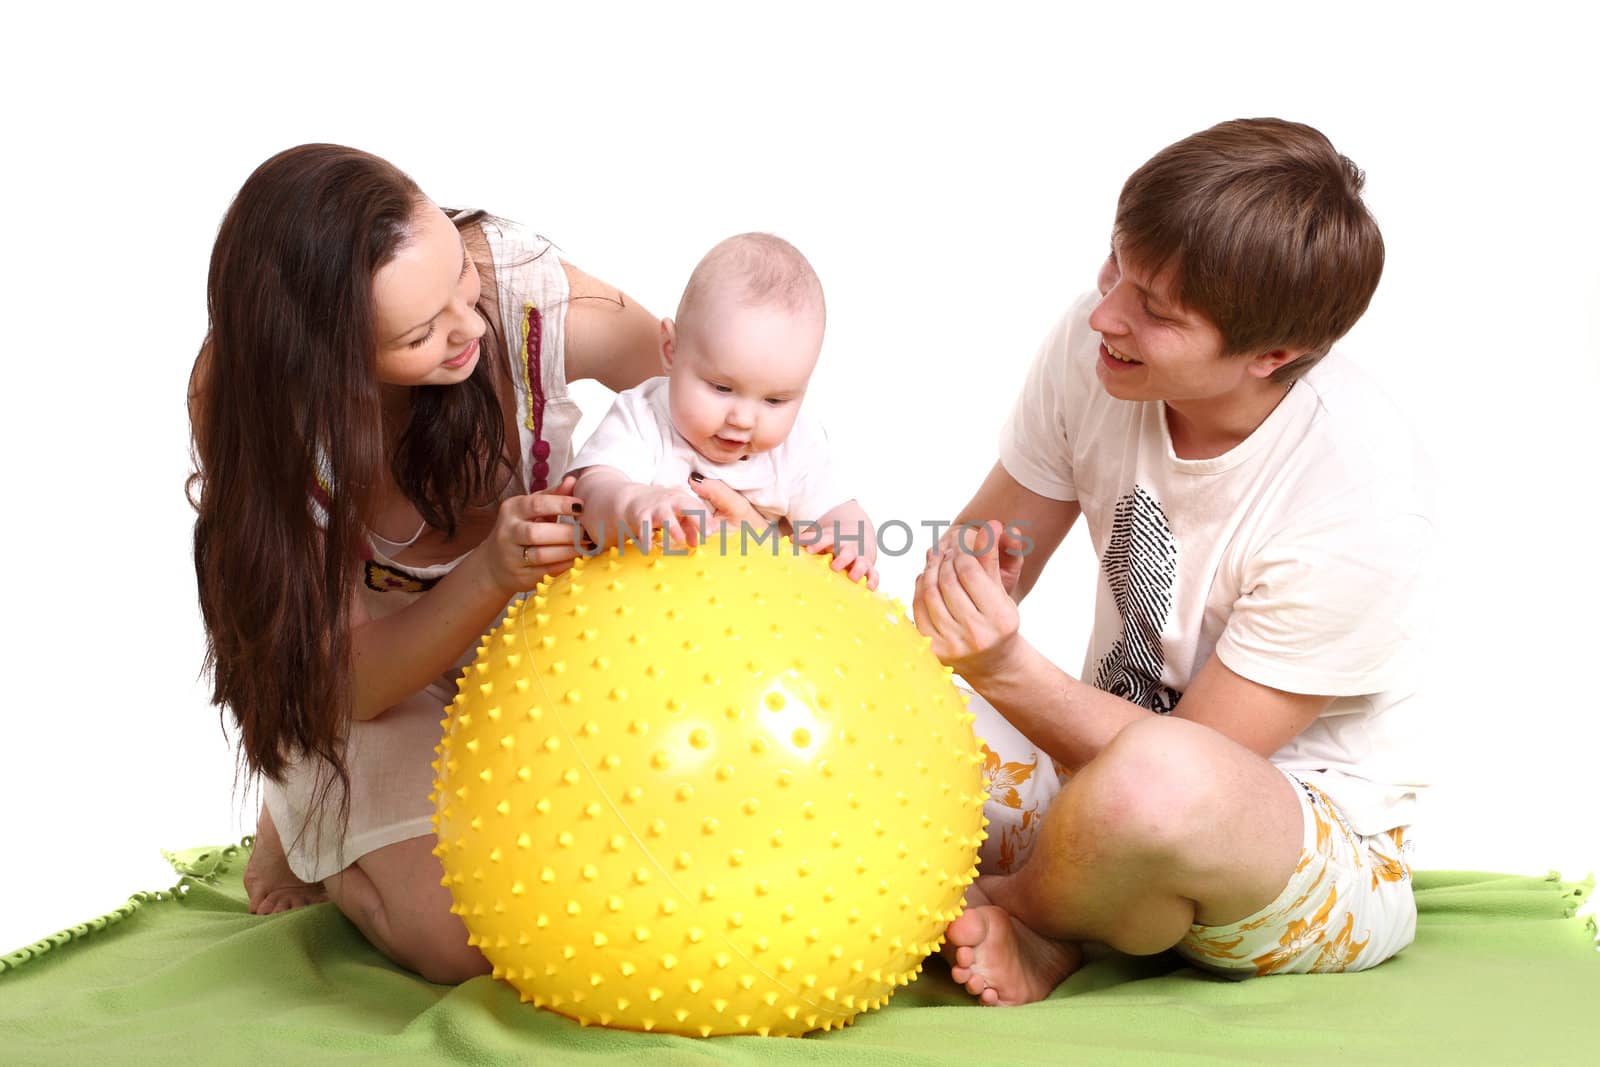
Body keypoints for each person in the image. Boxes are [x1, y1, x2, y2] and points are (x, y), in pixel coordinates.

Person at [189, 144, 752, 983]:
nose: (472, 327)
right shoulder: (262, 414)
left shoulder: (519, 288)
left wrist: (723, 502)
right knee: (471, 937)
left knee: (638, 870)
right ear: (326, 359)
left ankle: (343, 815)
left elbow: (696, 396)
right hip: (375, 683)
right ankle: (313, 826)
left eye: (460, 283)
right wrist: (488, 574)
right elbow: (354, 681)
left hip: (529, 646)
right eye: (422, 333)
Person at [913, 118, 1432, 1003]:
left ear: (1272, 356)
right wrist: (800, 555)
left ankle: (1037, 922)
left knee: (1154, 784)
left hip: (1291, 847)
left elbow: (1191, 765)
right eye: (1117, 264)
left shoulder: (1357, 491)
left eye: (1156, 310)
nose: (1105, 312)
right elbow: (970, 572)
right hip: (1091, 781)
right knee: (874, 722)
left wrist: (1003, 668)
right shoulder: (1098, 349)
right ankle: (1080, 903)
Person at [570, 233, 879, 587]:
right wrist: (632, 502)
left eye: (775, 400)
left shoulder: (797, 446)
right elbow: (591, 492)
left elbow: (841, 512)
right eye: (721, 388)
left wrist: (849, 546)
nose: (744, 420)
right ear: (671, 350)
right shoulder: (642, 418)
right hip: (638, 609)